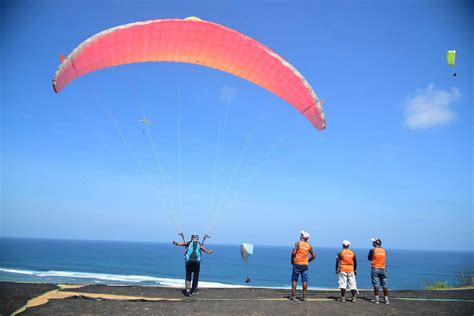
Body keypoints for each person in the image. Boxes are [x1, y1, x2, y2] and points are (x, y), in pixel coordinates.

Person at [290, 230, 316, 301]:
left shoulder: (297, 243)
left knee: (294, 280)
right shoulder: (309, 245)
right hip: (305, 265)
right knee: (304, 280)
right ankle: (304, 297)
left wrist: (292, 260)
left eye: (301, 234)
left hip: (297, 264)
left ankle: (293, 296)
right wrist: (308, 261)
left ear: (302, 236)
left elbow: (293, 253)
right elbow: (314, 256)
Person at [368, 238, 389, 304]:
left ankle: (377, 299)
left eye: (373, 242)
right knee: (385, 284)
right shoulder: (384, 250)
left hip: (375, 268)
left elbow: (369, 258)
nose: (372, 243)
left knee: (376, 284)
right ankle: (386, 299)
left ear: (375, 243)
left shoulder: (372, 250)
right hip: (383, 268)